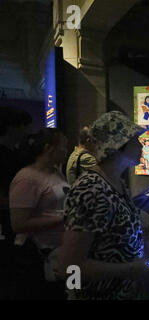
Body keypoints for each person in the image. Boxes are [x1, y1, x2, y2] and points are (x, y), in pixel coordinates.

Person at [59, 111, 149, 300]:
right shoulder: (91, 189)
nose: (142, 144)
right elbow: (69, 268)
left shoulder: (116, 182)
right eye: (136, 140)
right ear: (119, 145)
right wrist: (130, 269)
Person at [9, 128, 69, 299]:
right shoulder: (27, 178)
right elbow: (18, 224)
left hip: (64, 249)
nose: (66, 151)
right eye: (63, 147)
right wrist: (63, 218)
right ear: (48, 148)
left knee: (73, 291)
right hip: (43, 255)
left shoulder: (56, 172)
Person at [0, 107, 32, 299]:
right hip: (7, 226)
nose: (28, 131)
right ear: (13, 128)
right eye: (25, 126)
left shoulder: (16, 153)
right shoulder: (5, 155)